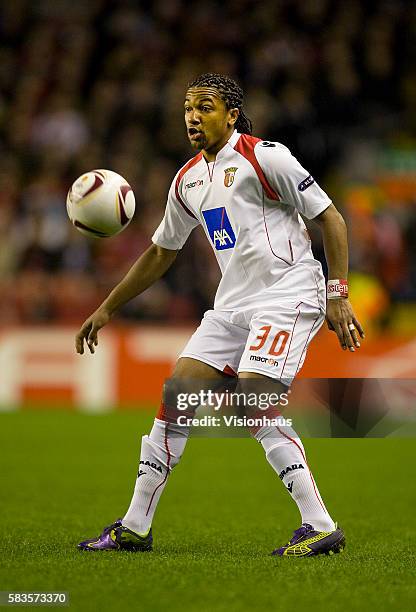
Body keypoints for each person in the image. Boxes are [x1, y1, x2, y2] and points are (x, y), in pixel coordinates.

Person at [76, 73, 364, 557]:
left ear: (231, 114)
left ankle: (319, 524)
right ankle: (135, 527)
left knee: (252, 400)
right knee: (178, 395)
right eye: (188, 108)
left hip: (288, 294)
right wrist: (108, 307)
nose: (193, 116)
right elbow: (161, 251)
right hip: (232, 306)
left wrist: (337, 293)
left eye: (205, 106)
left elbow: (330, 217)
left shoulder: (265, 156)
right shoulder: (187, 179)